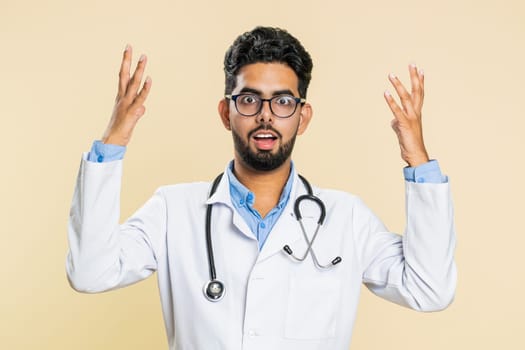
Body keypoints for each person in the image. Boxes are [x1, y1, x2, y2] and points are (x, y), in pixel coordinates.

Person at [66, 26, 456, 350]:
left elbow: (429, 290)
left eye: (284, 101)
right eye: (250, 99)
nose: (266, 115)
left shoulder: (346, 217)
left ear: (303, 118)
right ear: (226, 112)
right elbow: (89, 272)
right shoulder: (173, 209)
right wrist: (113, 141)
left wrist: (417, 158)